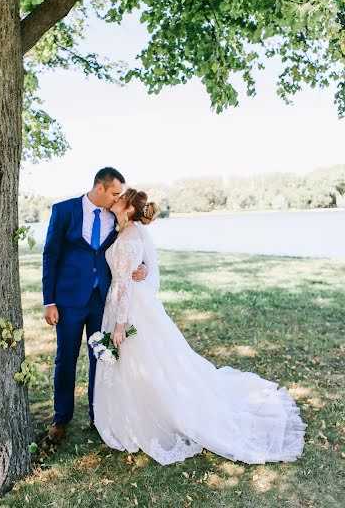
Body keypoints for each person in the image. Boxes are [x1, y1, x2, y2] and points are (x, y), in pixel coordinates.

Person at [94, 189, 306, 465]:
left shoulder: (129, 236)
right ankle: (130, 414)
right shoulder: (125, 231)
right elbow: (131, 271)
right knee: (146, 361)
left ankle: (145, 419)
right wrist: (140, 270)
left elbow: (124, 283)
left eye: (121, 197)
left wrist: (120, 324)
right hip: (128, 303)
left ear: (129, 209)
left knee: (141, 357)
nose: (116, 198)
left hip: (129, 308)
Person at [42, 168, 147, 442]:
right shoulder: (64, 211)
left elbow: (132, 244)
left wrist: (143, 267)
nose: (117, 198)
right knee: (65, 358)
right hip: (68, 300)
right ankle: (61, 418)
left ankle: (97, 413)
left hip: (102, 300)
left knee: (101, 358)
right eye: (114, 192)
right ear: (99, 188)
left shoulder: (116, 215)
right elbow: (50, 255)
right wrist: (49, 300)